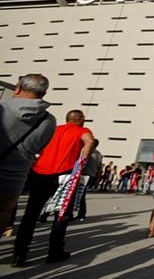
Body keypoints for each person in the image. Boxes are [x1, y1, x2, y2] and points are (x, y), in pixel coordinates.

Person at [13, 108, 95, 267]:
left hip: (40, 173)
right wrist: (82, 162)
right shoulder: (82, 130)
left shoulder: (54, 130)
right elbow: (90, 141)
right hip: (63, 175)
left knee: (30, 214)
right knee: (61, 214)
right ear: (80, 119)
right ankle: (55, 251)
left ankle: (19, 254)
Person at [0, 74, 56, 234]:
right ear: (44, 94)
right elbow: (40, 149)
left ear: (18, 88)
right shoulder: (49, 120)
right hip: (15, 180)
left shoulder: (2, 109)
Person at [76, 138, 103, 221]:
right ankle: (81, 214)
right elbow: (100, 168)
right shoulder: (99, 154)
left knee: (80, 194)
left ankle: (81, 214)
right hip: (91, 176)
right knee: (81, 194)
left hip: (84, 176)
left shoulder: (88, 152)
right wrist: (97, 179)